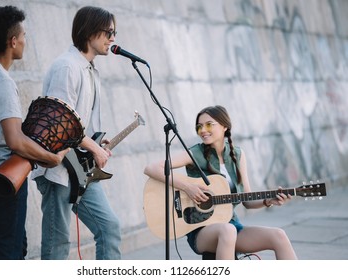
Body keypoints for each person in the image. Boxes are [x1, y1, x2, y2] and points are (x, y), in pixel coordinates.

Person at [0, 5, 68, 260]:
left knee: (15, 245)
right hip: (5, 174)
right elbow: (15, 140)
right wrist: (51, 158)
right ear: (12, 41)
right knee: (8, 249)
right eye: (23, 36)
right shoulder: (1, 82)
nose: (25, 40)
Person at [144, 105, 298, 260]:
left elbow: (247, 200)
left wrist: (267, 201)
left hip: (231, 225)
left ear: (225, 126)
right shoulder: (195, 153)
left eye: (209, 124)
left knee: (279, 235)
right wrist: (188, 187)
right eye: (199, 126)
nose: (203, 130)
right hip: (201, 230)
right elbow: (151, 168)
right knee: (228, 231)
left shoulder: (237, 155)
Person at [31, 6, 121, 260]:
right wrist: (93, 148)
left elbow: (77, 122)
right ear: (90, 31)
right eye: (109, 32)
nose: (113, 38)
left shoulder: (90, 69)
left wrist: (95, 140)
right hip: (58, 168)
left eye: (115, 33)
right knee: (58, 243)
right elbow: (58, 123)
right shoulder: (67, 67)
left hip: (80, 167)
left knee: (109, 228)